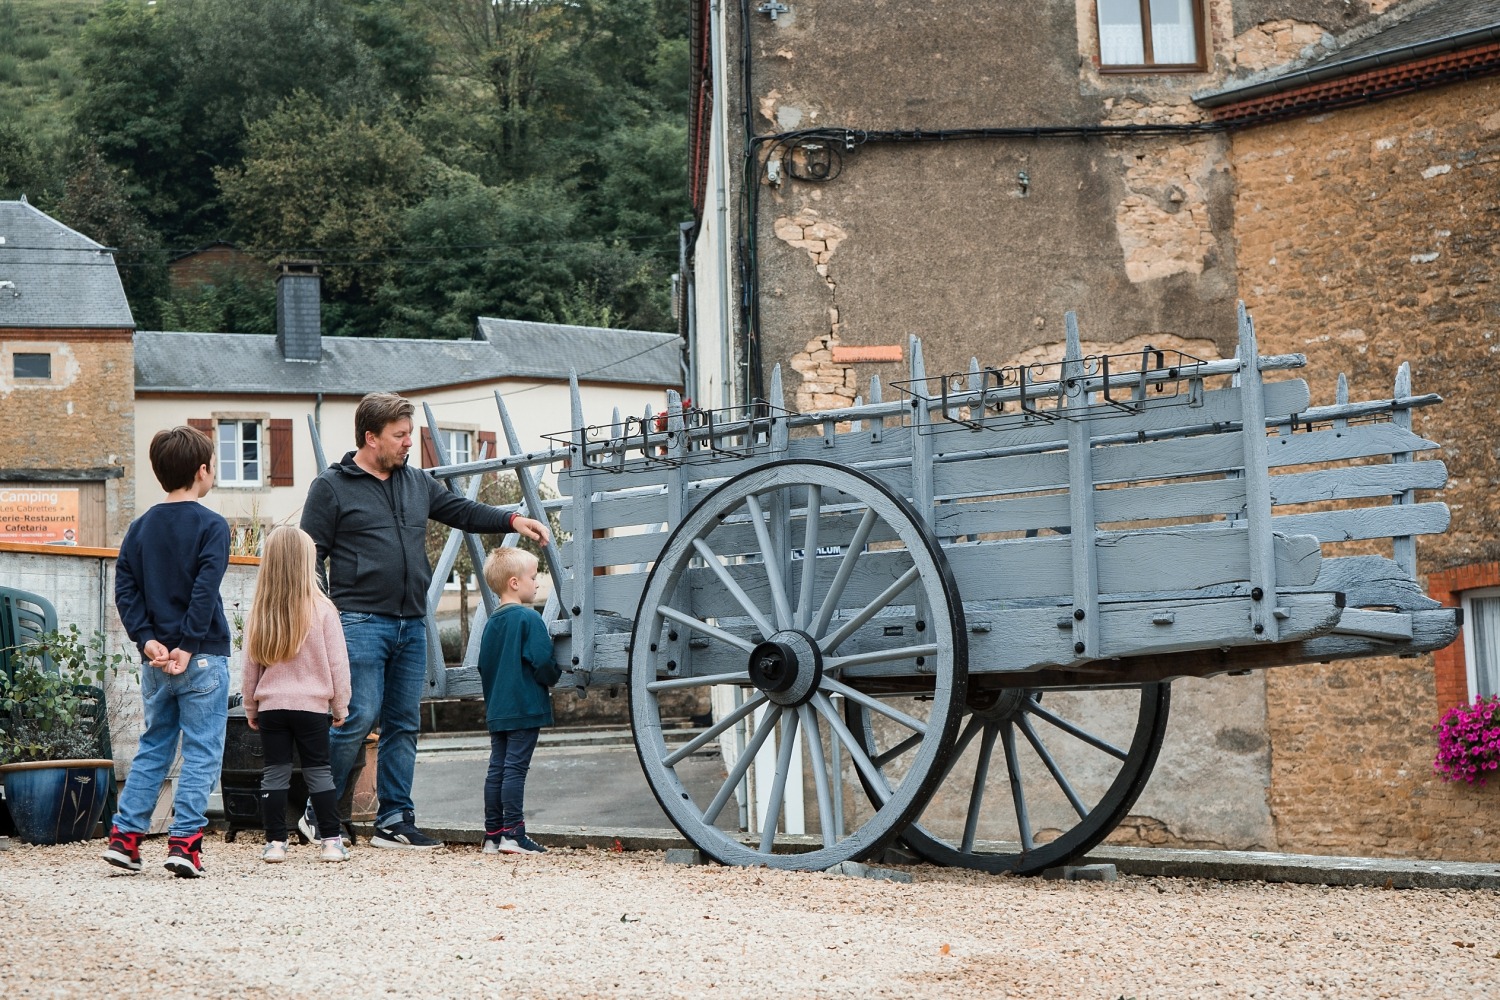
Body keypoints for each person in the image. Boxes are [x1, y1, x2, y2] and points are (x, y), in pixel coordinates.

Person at [299, 392, 550, 850]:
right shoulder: (331, 487)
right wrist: (321, 608)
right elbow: (310, 553)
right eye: (400, 436)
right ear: (371, 438)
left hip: (412, 622)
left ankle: (394, 820)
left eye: (409, 433)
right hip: (358, 621)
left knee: (403, 724)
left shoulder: (417, 482)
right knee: (357, 716)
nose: (409, 443)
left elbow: (463, 512)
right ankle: (317, 809)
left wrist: (513, 519)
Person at [103, 426, 231, 878]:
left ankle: (126, 837)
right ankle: (185, 844)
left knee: (155, 745)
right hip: (201, 656)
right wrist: (188, 644)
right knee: (201, 751)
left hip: (156, 659)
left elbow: (126, 588)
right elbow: (204, 590)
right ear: (202, 472)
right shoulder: (213, 526)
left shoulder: (140, 528)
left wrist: (148, 640)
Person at [241, 526, 353, 864]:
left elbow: (250, 666)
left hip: (273, 706)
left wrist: (250, 706)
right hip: (313, 706)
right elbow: (338, 664)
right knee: (319, 772)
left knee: (275, 773)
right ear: (308, 563)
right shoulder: (323, 610)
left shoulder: (260, 610)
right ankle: (331, 842)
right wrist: (341, 704)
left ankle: (275, 843)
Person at [477, 547, 561, 855]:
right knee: (515, 769)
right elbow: (542, 661)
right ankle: (514, 833)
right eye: (533, 576)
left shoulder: (490, 624)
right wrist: (555, 674)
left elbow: (483, 666)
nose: (537, 583)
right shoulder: (529, 618)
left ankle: (493, 835)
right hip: (524, 706)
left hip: (498, 708)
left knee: (497, 768)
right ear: (514, 583)